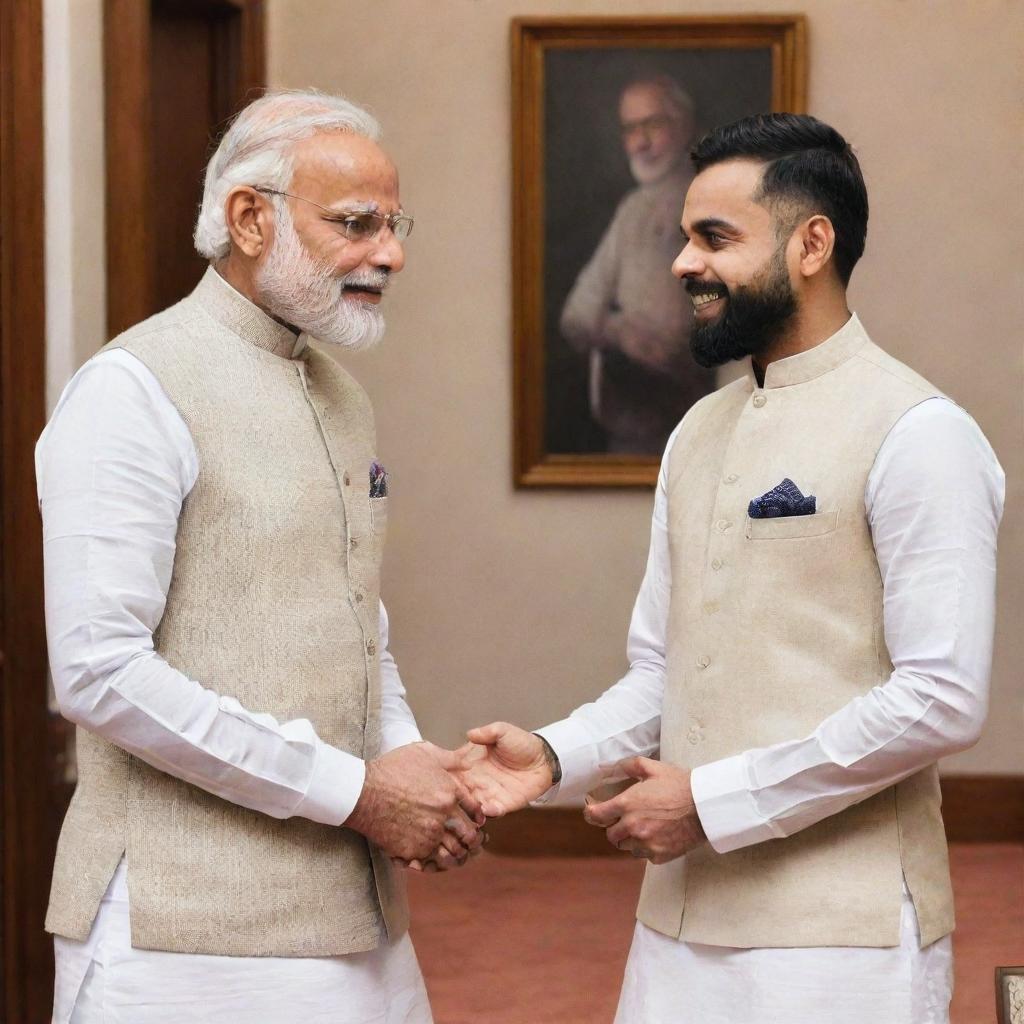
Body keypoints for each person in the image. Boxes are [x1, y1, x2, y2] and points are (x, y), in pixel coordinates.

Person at [460, 113, 1004, 1023]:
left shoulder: (921, 432)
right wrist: (552, 757)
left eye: (714, 237)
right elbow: (664, 674)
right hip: (675, 926)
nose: (682, 263)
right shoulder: (698, 431)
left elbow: (943, 694)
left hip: (844, 939)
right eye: (683, 237)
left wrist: (711, 802)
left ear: (811, 245)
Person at [39, 89, 483, 1024]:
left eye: (394, 226)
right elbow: (98, 671)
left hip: (354, 919)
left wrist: (411, 771)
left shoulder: (341, 394)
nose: (390, 253)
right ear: (249, 218)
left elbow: (358, 623)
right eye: (356, 224)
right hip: (180, 933)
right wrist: (358, 792)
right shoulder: (131, 389)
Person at [560, 75, 714, 454]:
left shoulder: (716, 200)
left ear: (687, 126)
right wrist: (621, 332)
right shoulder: (633, 210)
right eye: (631, 129)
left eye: (654, 124)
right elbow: (576, 315)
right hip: (633, 424)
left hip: (705, 426)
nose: (641, 142)